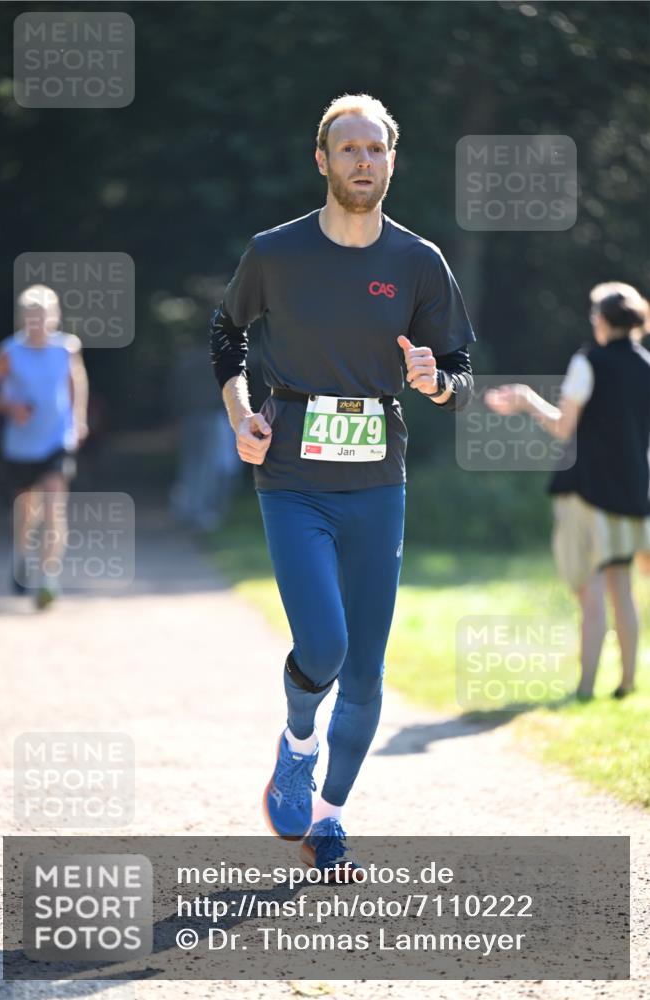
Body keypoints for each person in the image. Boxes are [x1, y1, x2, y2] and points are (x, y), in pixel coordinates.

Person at [210, 94, 475, 879]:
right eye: (348, 148)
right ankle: (296, 744)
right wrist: (240, 413)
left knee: (364, 670)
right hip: (291, 475)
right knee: (322, 646)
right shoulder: (275, 253)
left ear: (393, 160)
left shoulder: (418, 261)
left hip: (376, 481)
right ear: (322, 160)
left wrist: (434, 385)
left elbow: (459, 372)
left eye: (376, 149)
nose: (363, 161)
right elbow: (226, 335)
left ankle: (328, 821)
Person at [485, 282, 650, 700]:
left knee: (590, 591)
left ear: (606, 320)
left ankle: (585, 686)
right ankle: (628, 682)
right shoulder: (646, 364)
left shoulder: (588, 360)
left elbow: (563, 427)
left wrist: (525, 399)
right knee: (622, 588)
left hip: (586, 490)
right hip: (632, 491)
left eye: (595, 314)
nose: (592, 321)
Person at [0, 284, 89, 609]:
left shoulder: (68, 348)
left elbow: (77, 383)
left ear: (55, 318)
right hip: (21, 446)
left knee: (54, 507)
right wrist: (8, 408)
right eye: (31, 319)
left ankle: (48, 578)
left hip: (57, 440)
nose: (38, 325)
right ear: (22, 320)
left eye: (43, 318)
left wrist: (78, 420)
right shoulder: (9, 351)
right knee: (26, 511)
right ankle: (21, 555)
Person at [167, 334, 241, 532]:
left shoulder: (186, 361)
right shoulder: (221, 361)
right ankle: (200, 512)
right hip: (212, 417)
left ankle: (188, 510)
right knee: (209, 465)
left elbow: (175, 394)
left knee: (191, 463)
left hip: (190, 417)